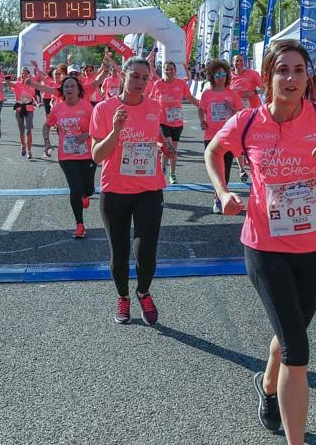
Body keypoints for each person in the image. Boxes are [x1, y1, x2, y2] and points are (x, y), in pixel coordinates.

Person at [205, 39, 316, 443]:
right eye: (282, 70)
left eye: (298, 70)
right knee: (297, 349)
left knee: (290, 332)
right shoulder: (246, 122)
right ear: (267, 77)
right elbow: (213, 152)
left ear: (309, 77)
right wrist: (223, 192)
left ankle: (268, 384)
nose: (290, 78)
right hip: (265, 248)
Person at [90, 56, 173, 325]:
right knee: (120, 253)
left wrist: (163, 145)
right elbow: (96, 155)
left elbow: (153, 135)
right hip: (115, 190)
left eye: (145, 78)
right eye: (135, 76)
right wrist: (116, 131)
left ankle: (143, 292)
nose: (140, 82)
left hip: (149, 188)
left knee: (146, 251)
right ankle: (123, 296)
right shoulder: (104, 109)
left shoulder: (153, 106)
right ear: (123, 77)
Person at [44, 75, 97, 238]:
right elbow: (47, 125)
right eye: (66, 86)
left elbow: (97, 126)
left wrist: (86, 135)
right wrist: (47, 142)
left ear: (78, 90)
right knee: (75, 189)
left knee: (88, 189)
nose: (69, 89)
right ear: (63, 90)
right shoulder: (57, 109)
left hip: (87, 154)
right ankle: (79, 224)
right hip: (66, 156)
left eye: (72, 86)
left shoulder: (87, 107)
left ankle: (86, 195)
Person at [198, 59, 243, 213]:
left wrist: (232, 108)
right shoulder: (207, 93)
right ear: (212, 76)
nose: (220, 77)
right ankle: (218, 196)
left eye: (223, 74)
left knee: (226, 169)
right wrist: (202, 121)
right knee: (216, 170)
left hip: (228, 136)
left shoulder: (232, 93)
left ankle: (220, 196)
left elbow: (240, 113)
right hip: (211, 135)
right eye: (217, 75)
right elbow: (201, 109)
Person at [149, 60, 200, 185]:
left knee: (173, 149)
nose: (169, 71)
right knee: (169, 146)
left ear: (175, 71)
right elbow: (150, 100)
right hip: (163, 121)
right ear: (163, 70)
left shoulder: (181, 84)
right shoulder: (158, 84)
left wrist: (202, 106)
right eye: (166, 69)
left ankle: (171, 173)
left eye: (171, 69)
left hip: (177, 122)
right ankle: (163, 171)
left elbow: (190, 98)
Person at [230, 53, 263, 182]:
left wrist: (253, 92)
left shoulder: (252, 74)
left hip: (253, 112)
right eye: (236, 61)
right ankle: (242, 170)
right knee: (238, 140)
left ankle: (255, 166)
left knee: (253, 140)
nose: (239, 63)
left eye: (241, 60)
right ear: (233, 63)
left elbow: (264, 87)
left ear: (244, 62)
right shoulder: (229, 76)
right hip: (237, 113)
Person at [9, 67, 37, 158]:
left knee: (28, 131)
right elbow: (8, 84)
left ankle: (29, 151)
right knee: (21, 131)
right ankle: (23, 145)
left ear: (28, 75)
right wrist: (7, 78)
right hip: (19, 109)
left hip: (29, 109)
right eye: (22, 73)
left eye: (25, 73)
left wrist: (37, 101)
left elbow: (34, 96)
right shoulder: (17, 84)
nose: (23, 75)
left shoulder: (31, 84)